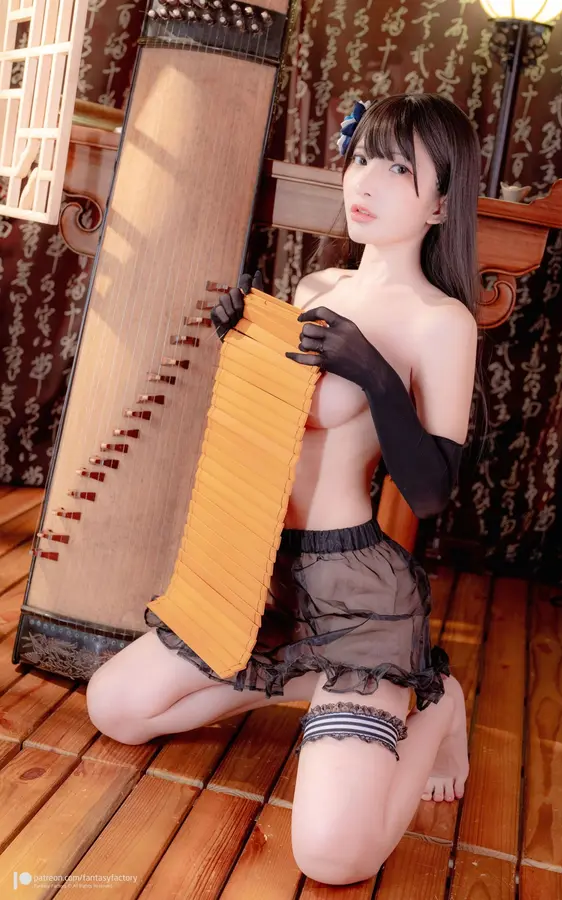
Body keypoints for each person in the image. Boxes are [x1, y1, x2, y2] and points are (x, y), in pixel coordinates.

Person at [86, 93, 480, 886]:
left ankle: (436, 704)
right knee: (114, 708)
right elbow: (271, 427)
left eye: (397, 169)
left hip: (355, 594)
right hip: (260, 576)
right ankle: (308, 685)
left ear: (441, 204)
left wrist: (376, 375)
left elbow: (433, 493)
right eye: (362, 157)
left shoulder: (441, 322)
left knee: (332, 856)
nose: (365, 180)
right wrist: (244, 338)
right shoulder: (316, 287)